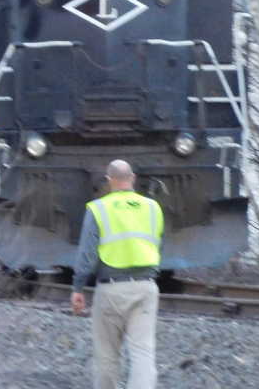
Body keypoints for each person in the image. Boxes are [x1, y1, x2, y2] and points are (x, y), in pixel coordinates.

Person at [71, 160, 164, 389]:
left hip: (110, 289)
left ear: (109, 180)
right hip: (145, 287)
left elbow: (87, 254)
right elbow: (158, 246)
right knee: (143, 353)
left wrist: (78, 288)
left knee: (107, 357)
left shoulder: (98, 208)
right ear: (132, 178)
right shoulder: (153, 208)